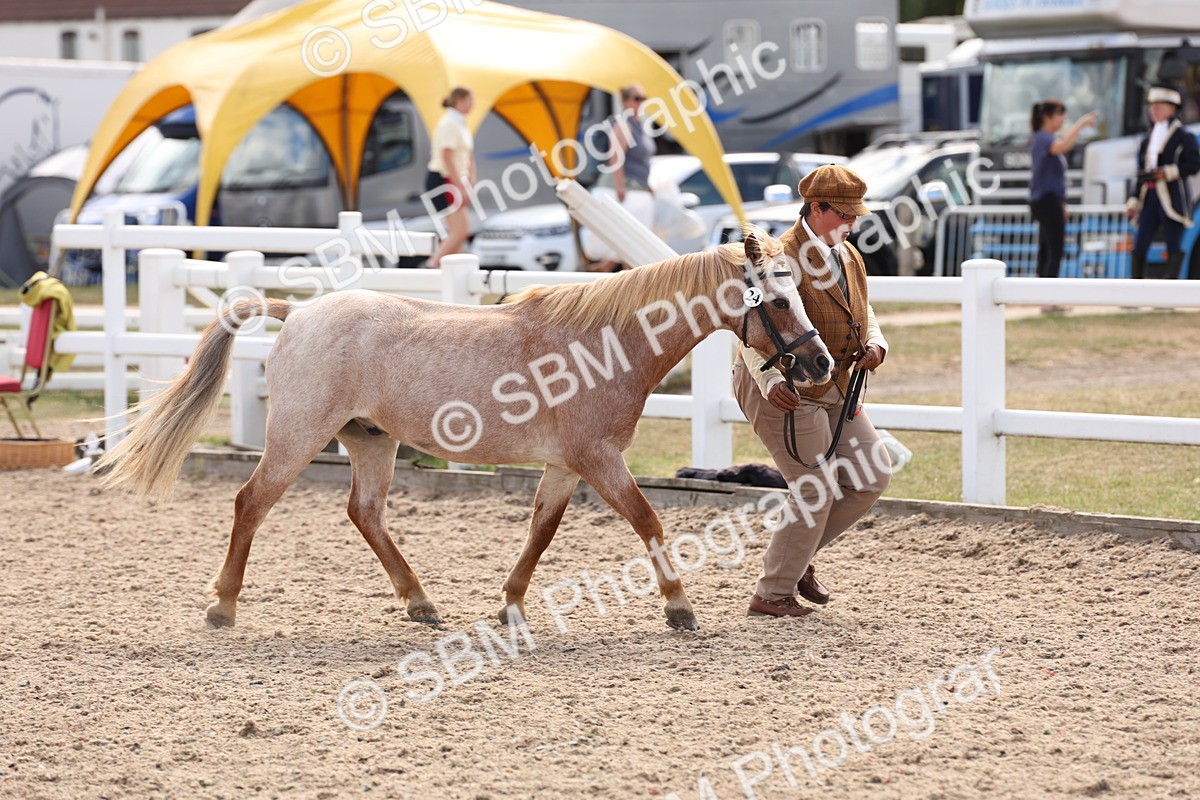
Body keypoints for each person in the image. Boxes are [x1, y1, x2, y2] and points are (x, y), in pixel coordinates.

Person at [735, 164, 892, 618]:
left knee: (871, 474)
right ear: (816, 208)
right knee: (816, 486)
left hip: (838, 383)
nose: (853, 222)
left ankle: (794, 557)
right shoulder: (775, 256)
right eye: (844, 213)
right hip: (783, 386)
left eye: (855, 214)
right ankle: (772, 593)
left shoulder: (848, 254)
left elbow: (865, 308)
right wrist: (769, 379)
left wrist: (877, 343)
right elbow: (750, 330)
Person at [1125, 85, 1200, 280]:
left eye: (1159, 106)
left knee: (1173, 243)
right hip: (1150, 195)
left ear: (1172, 108)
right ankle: (1135, 288)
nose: (1154, 111)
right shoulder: (1147, 139)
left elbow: (1193, 164)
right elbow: (1141, 172)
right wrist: (1133, 200)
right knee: (1140, 243)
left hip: (1172, 195)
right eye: (1152, 106)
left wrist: (1167, 172)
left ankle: (1171, 289)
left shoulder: (1184, 137)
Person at [1028, 100, 1097, 304]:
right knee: (1055, 248)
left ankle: (1043, 296)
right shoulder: (1043, 138)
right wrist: (1082, 124)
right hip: (1046, 200)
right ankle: (1049, 299)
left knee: (1047, 247)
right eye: (1060, 115)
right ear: (1047, 117)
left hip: (1049, 200)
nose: (1063, 120)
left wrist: (1062, 204)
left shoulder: (1044, 138)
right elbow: (1062, 146)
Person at [583, 84, 656, 272]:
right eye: (636, 98)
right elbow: (615, 156)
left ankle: (602, 272)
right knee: (630, 244)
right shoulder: (624, 124)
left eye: (642, 98)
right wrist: (619, 187)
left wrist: (646, 185)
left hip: (637, 190)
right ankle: (614, 281)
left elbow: (641, 161)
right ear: (625, 101)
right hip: (625, 191)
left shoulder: (639, 125)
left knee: (629, 246)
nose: (640, 102)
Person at [425, 87, 476, 269]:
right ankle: (432, 265)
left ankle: (449, 274)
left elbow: (467, 156)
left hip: (454, 179)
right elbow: (447, 155)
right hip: (444, 178)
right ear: (460, 100)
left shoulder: (460, 123)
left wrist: (469, 181)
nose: (473, 105)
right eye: (471, 100)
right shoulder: (449, 123)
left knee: (460, 235)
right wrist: (460, 186)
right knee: (460, 231)